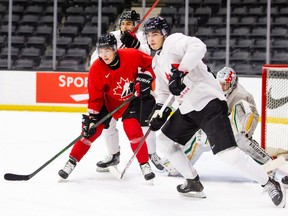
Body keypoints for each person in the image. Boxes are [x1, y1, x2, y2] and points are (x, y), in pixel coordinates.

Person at [143, 16, 286, 207]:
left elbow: (198, 46)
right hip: (188, 108)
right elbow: (163, 91)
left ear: (164, 34)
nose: (151, 39)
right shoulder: (156, 62)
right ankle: (193, 182)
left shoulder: (173, 41)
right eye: (148, 35)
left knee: (227, 153)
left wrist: (181, 71)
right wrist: (160, 110)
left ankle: (269, 182)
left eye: (155, 34)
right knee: (164, 141)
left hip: (208, 101)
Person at [58, 33, 156, 181]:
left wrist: (146, 78)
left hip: (129, 101)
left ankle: (144, 164)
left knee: (132, 129)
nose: (104, 55)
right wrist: (92, 117)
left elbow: (150, 64)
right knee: (90, 133)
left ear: (115, 49)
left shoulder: (131, 55)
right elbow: (95, 97)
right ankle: (70, 163)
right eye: (101, 51)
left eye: (107, 50)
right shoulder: (97, 68)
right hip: (108, 104)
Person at [90, 9, 172, 173]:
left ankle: (151, 155)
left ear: (136, 25)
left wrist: (136, 45)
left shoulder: (143, 37)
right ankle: (113, 154)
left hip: (140, 89)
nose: (126, 27)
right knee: (108, 124)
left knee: (144, 125)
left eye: (129, 24)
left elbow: (150, 60)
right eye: (123, 23)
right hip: (115, 91)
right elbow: (96, 59)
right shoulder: (112, 37)